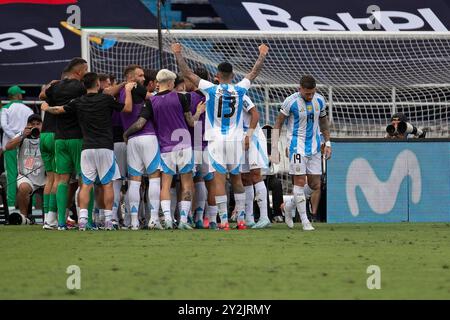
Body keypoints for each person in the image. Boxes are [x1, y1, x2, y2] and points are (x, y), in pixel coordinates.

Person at [172, 42, 269, 230]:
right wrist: (262, 55)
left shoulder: (210, 88)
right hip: (235, 140)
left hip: (216, 140)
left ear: (217, 75)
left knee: (218, 180)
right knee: (237, 179)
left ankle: (224, 221)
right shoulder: (240, 89)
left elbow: (187, 74)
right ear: (232, 76)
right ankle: (241, 220)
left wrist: (178, 54)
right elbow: (254, 73)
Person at [42, 72, 134, 230]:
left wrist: (46, 108)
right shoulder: (106, 99)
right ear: (98, 84)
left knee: (86, 184)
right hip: (105, 147)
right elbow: (127, 108)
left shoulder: (78, 101)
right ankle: (108, 220)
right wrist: (129, 91)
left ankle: (83, 220)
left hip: (87, 148)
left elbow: (58, 110)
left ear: (84, 86)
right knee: (107, 184)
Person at [123, 69, 205, 230]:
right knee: (186, 183)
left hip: (165, 147)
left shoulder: (151, 101)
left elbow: (140, 123)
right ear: (170, 82)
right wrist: (198, 113)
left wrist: (126, 133)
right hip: (184, 145)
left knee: (165, 184)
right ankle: (182, 220)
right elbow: (191, 122)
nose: (175, 85)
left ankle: (167, 218)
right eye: (174, 82)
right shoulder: (181, 97)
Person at [271, 75, 331, 231]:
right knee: (299, 182)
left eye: (312, 93)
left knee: (315, 184)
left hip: (315, 147)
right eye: (306, 93)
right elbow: (277, 123)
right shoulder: (290, 102)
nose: (309, 96)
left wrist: (328, 142)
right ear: (300, 89)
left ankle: (288, 206)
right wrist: (274, 148)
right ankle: (305, 222)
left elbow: (324, 123)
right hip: (296, 146)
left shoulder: (320, 101)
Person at [44, 57, 89, 230]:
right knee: (84, 179)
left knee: (60, 179)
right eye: (85, 70)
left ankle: (55, 220)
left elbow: (43, 95)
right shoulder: (81, 87)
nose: (86, 73)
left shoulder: (55, 87)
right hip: (77, 137)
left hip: (58, 137)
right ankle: (86, 219)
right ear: (79, 71)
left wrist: (51, 86)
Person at [120, 64, 159, 231]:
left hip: (132, 141)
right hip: (148, 136)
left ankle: (134, 222)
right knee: (154, 178)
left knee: (134, 182)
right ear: (131, 78)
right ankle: (154, 219)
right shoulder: (138, 89)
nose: (144, 79)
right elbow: (155, 99)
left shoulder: (120, 92)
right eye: (140, 75)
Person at [5, 114, 45, 225]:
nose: (36, 127)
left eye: (38, 124)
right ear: (28, 126)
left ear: (42, 125)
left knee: (53, 188)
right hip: (26, 176)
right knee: (23, 187)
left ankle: (48, 218)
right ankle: (24, 218)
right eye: (33, 124)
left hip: (45, 177)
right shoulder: (22, 135)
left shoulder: (46, 135)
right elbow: (8, 147)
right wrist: (23, 135)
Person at [1, 85, 33, 212]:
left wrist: (14, 137)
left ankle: (11, 206)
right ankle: (28, 207)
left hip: (10, 145)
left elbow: (3, 125)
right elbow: (32, 126)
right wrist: (21, 136)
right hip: (25, 146)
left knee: (11, 175)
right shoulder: (28, 109)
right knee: (28, 174)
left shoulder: (5, 109)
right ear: (18, 95)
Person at [240, 95, 271, 229]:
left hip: (253, 138)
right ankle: (249, 218)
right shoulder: (220, 97)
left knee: (256, 175)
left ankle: (264, 217)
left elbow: (255, 114)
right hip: (238, 139)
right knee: (245, 177)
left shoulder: (241, 96)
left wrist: (249, 134)